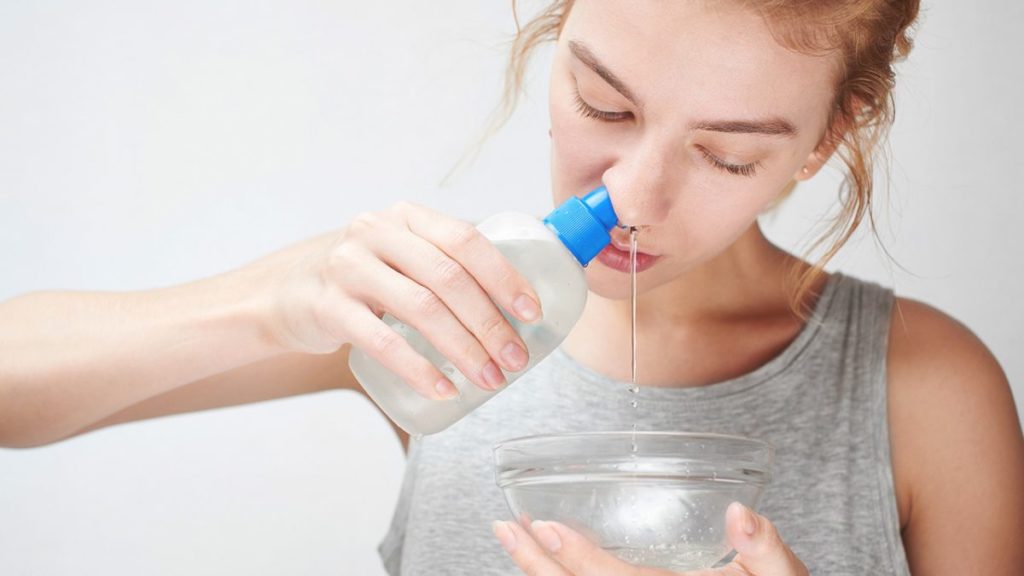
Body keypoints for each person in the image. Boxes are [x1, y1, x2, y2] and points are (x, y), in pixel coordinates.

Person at [1, 1, 1022, 575]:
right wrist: (272, 300)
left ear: (824, 140)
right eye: (603, 104)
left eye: (725, 155)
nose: (632, 200)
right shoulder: (444, 314)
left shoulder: (922, 390)